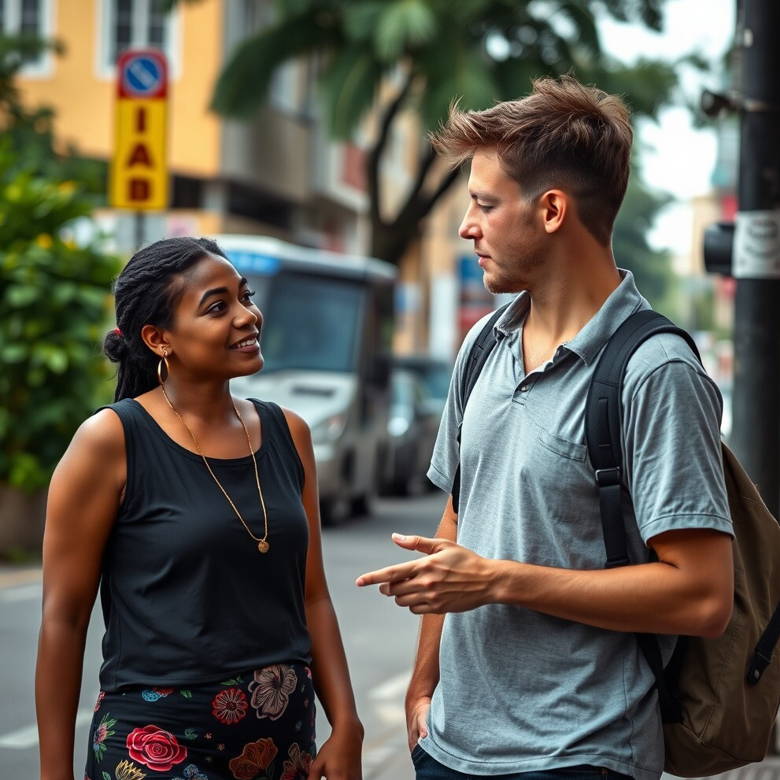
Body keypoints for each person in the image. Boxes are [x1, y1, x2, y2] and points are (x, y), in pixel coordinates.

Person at [356, 76, 734, 780]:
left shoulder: (654, 371)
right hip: (448, 748)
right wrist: (421, 690)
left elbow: (703, 596)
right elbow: (457, 522)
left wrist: (501, 581)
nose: (468, 226)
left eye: (484, 204)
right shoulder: (482, 347)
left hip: (579, 755)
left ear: (552, 209)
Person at [36, 237, 363, 780]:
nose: (247, 316)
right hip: (156, 744)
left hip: (283, 740)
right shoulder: (111, 440)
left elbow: (311, 596)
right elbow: (63, 619)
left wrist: (346, 724)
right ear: (159, 339)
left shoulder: (290, 433)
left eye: (245, 297)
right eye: (218, 307)